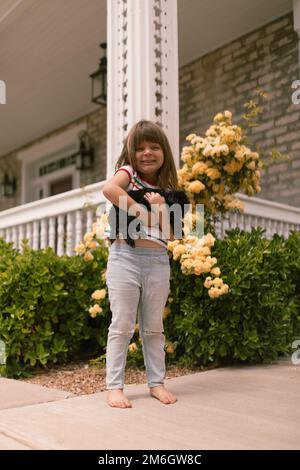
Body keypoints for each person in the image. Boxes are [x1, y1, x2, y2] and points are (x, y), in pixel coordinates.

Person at [102, 120, 179, 408]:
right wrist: (143, 212)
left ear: (164, 153)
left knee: (154, 328)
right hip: (125, 258)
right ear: (131, 153)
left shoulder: (170, 189)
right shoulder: (129, 174)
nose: (147, 152)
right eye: (140, 147)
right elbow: (109, 190)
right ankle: (115, 387)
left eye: (154, 147)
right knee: (121, 325)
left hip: (158, 262)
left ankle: (156, 383)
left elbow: (173, 234)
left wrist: (160, 207)